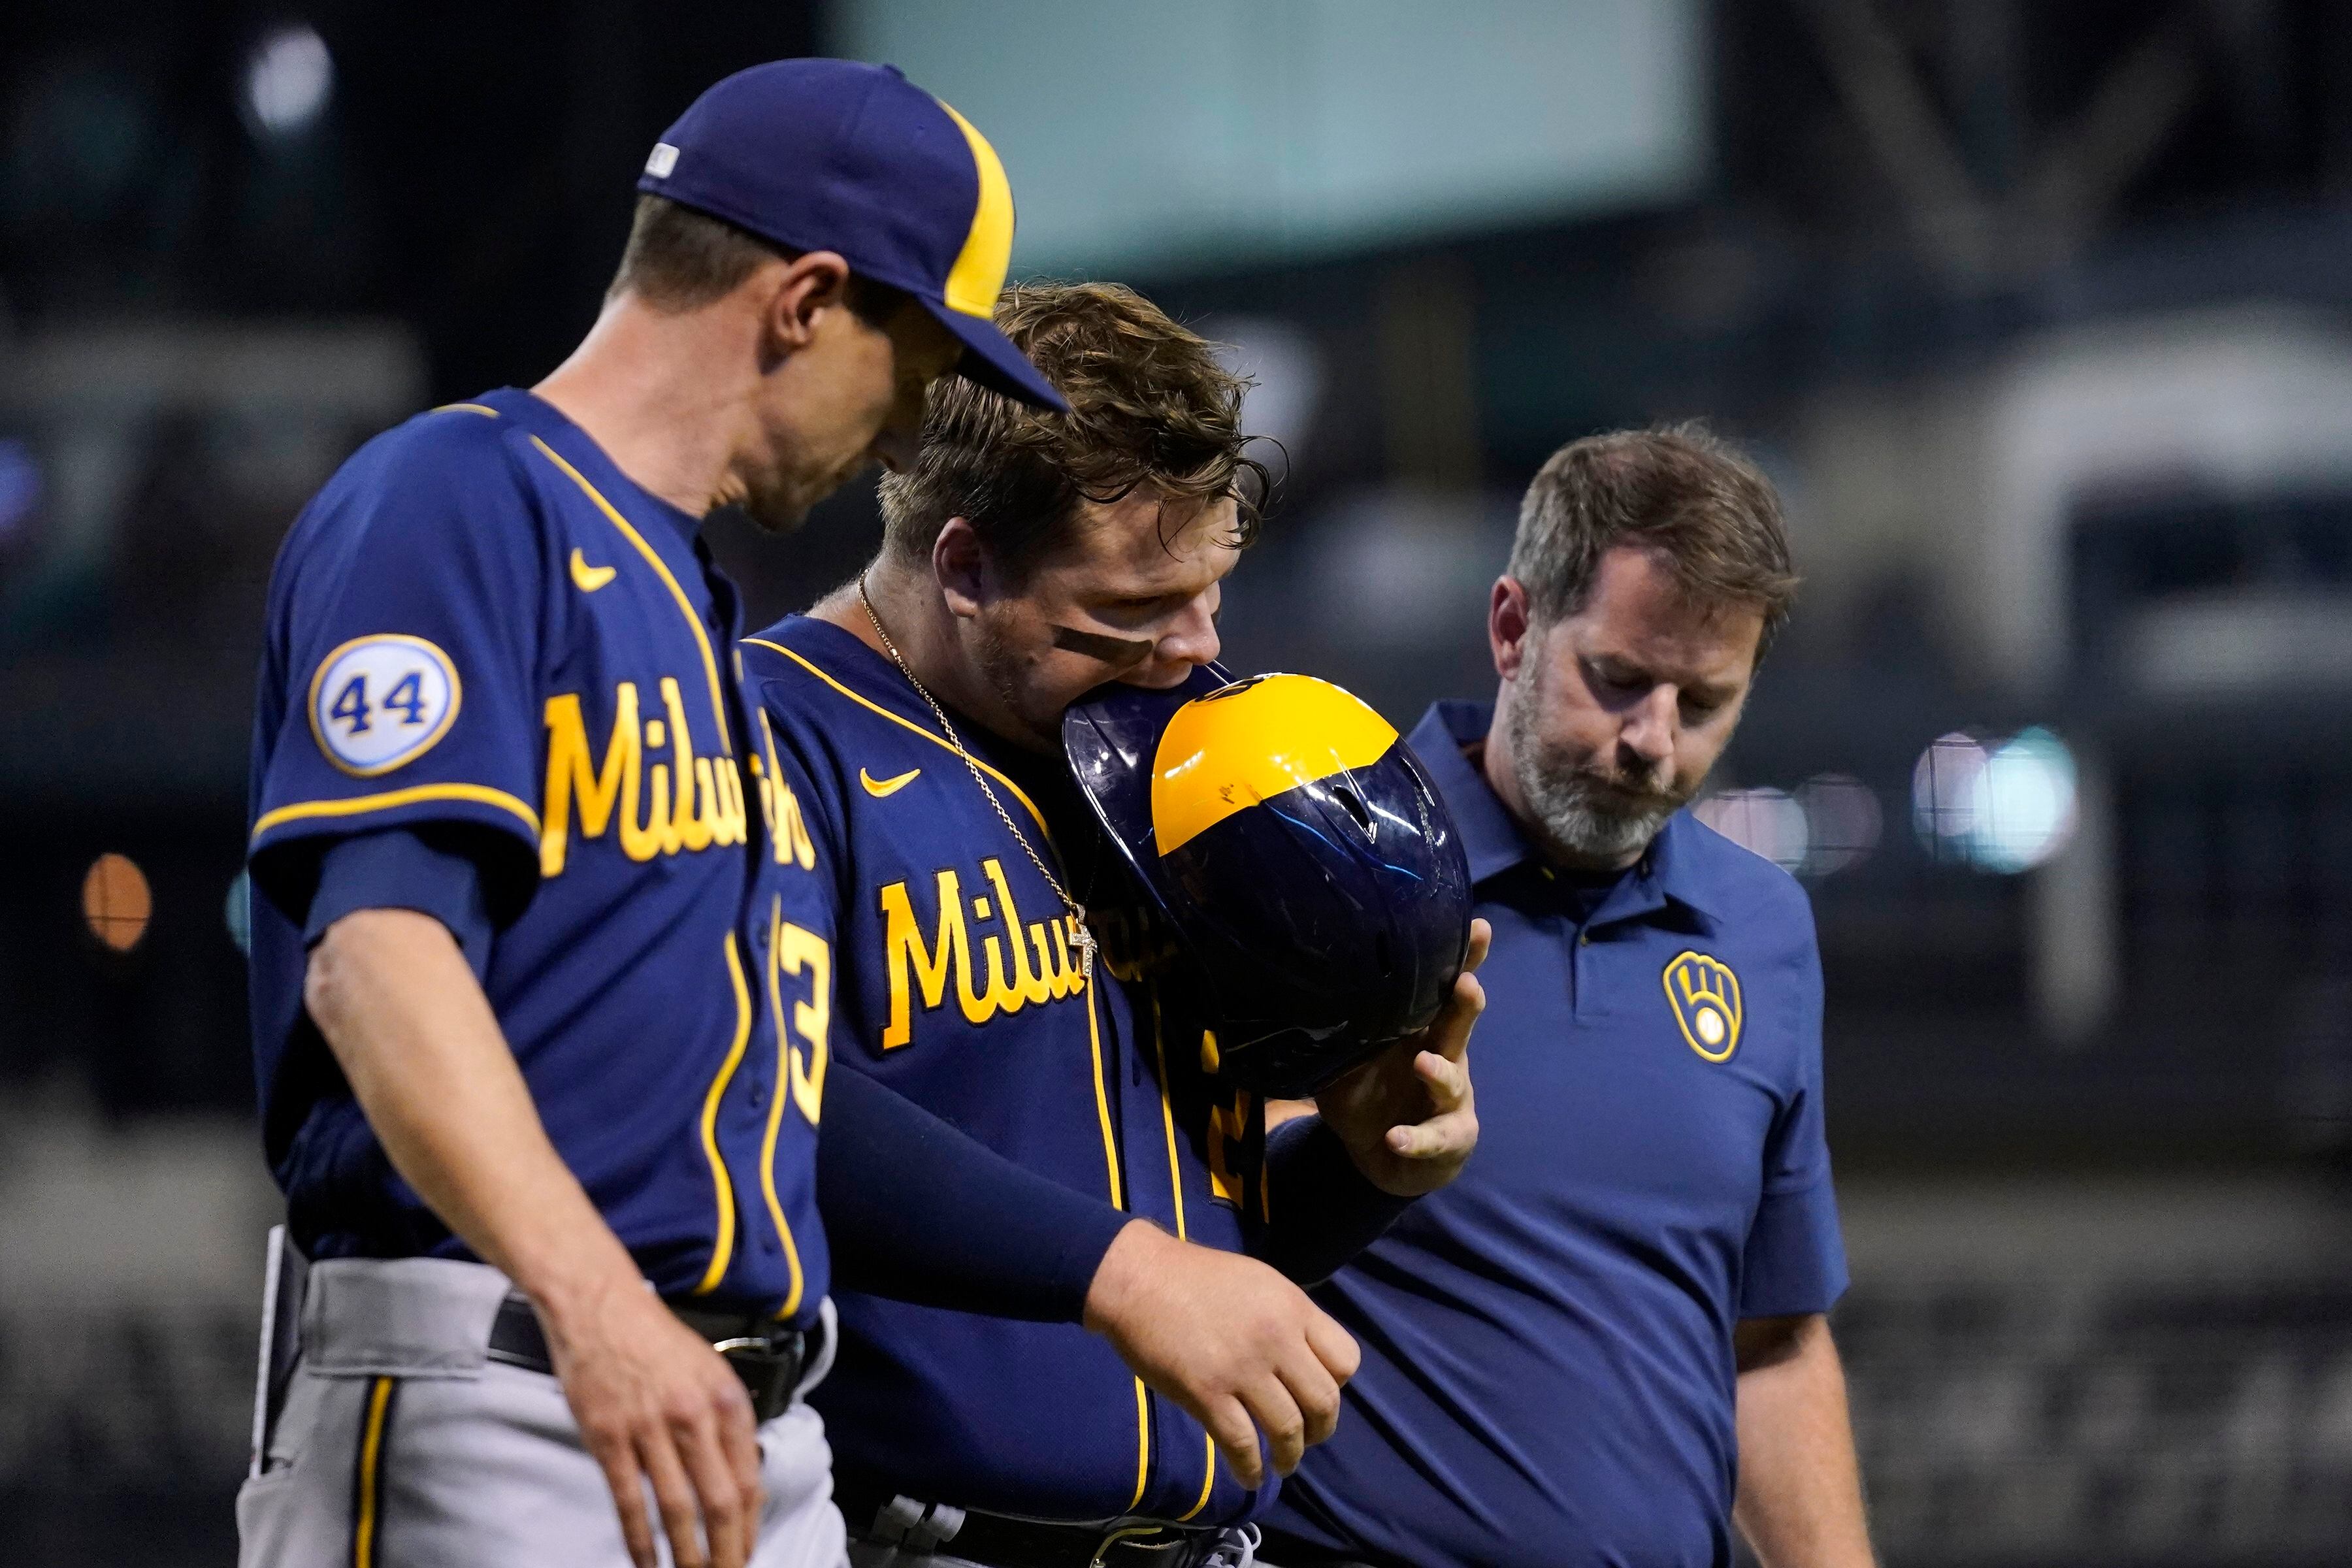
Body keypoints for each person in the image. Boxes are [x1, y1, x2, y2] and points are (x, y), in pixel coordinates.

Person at [238, 59, 1063, 1568]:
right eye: (917, 361)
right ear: (807, 300)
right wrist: (600, 1305)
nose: (906, 435)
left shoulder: (694, 608)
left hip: (735, 1417)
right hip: (509, 1373)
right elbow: (376, 953)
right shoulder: (461, 500)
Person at [740, 281, 1487, 1568]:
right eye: (1132, 613)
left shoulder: (1162, 759)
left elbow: (1208, 1248)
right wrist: (1125, 1270)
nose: (1194, 651)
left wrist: (1361, 1164)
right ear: (964, 564)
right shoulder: (769, 734)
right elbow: (754, 1097)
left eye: (1209, 589)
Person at [1262, 428, 1876, 1568]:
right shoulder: (1320, 869)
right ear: (1512, 627)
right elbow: (1189, 1219)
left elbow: (1775, 1340)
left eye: (1704, 704)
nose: (1653, 741)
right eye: (1619, 679)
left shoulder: (1762, 932)